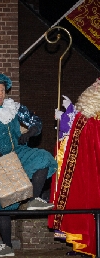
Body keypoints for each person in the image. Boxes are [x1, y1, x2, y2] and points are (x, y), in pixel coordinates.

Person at [0, 73, 58, 257]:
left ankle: (34, 199)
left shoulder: (14, 108)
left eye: (3, 90)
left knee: (43, 157)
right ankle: (7, 246)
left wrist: (30, 132)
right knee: (1, 203)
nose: (1, 94)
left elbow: (35, 121)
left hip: (18, 153)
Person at [48, 78, 100, 258]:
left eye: (98, 84)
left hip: (92, 170)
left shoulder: (96, 115)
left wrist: (70, 115)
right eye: (95, 82)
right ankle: (81, 246)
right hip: (80, 167)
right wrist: (66, 116)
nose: (94, 84)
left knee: (89, 204)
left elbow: (91, 133)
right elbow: (74, 132)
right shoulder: (87, 112)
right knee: (77, 202)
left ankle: (90, 248)